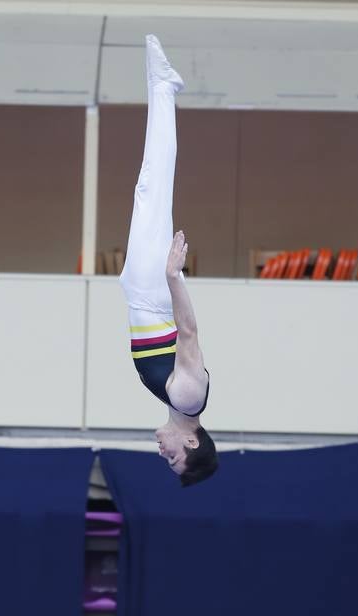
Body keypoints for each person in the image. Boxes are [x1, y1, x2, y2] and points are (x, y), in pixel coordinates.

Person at [119, 35, 218, 486]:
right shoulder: (190, 396)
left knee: (150, 187)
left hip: (144, 295)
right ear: (192, 443)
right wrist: (173, 276)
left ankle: (161, 85)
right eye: (174, 459)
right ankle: (163, 86)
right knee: (151, 186)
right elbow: (191, 333)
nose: (165, 454)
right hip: (154, 294)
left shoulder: (176, 402)